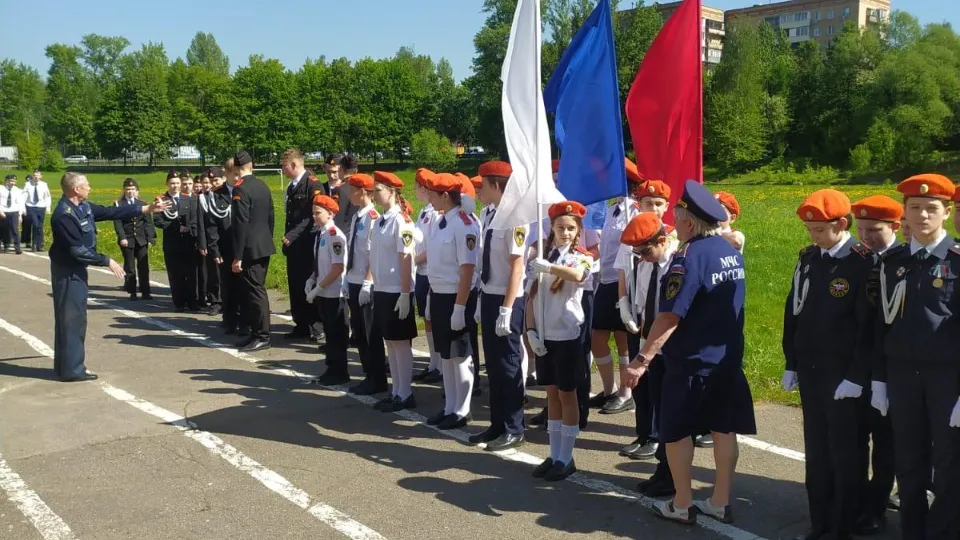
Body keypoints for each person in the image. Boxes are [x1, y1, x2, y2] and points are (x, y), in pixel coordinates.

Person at [623, 180, 756, 526]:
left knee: (676, 431)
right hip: (726, 357)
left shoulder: (688, 258)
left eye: (677, 218)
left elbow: (669, 316)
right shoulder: (728, 250)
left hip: (691, 362)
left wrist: (641, 360)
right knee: (724, 429)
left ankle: (682, 503)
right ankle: (721, 500)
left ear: (689, 223)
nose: (674, 224)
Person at [782, 189, 874, 540]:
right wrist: (791, 361)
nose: (813, 236)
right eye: (809, 229)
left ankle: (842, 526)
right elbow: (794, 311)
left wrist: (856, 376)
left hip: (843, 374)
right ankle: (819, 523)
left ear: (842, 223)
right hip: (811, 368)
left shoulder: (862, 262)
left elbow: (868, 328)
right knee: (817, 451)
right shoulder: (809, 258)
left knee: (845, 452)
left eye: (819, 229)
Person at [871, 173, 960, 540]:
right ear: (904, 213)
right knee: (907, 458)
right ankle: (913, 531)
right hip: (902, 374)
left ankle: (942, 532)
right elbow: (881, 324)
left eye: (931, 208)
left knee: (949, 462)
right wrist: (879, 379)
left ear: (947, 212)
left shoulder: (957, 260)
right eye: (915, 208)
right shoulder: (892, 262)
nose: (923, 215)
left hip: (947, 378)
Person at [49, 172, 168, 381]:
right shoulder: (64, 215)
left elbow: (111, 211)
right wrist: (107, 261)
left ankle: (65, 367)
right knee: (72, 319)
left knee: (73, 318)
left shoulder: (82, 207)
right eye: (86, 185)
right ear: (76, 189)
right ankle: (72, 370)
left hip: (76, 270)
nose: (90, 187)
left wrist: (146, 209)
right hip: (68, 271)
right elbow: (77, 250)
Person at [525, 201, 596, 481]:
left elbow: (579, 276)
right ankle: (554, 454)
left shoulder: (580, 257)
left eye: (571, 228)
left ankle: (567, 457)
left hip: (567, 335)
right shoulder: (542, 255)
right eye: (560, 227)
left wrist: (550, 268)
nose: (565, 233)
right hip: (545, 335)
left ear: (578, 231)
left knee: (568, 395)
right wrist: (531, 331)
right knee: (551, 395)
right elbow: (531, 297)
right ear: (552, 228)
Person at [616, 212, 680, 498]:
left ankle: (673, 474)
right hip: (650, 348)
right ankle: (663, 469)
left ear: (662, 241)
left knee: (672, 414)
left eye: (645, 250)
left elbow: (672, 315)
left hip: (673, 349)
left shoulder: (678, 266)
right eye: (637, 253)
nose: (641, 257)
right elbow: (645, 308)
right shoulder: (644, 267)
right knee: (659, 408)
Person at [850, 194, 902, 536]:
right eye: (862, 228)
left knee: (887, 443)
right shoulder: (856, 259)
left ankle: (877, 505)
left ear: (895, 227)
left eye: (875, 230)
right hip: (855, 365)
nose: (866, 236)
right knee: (855, 439)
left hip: (892, 367)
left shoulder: (903, 262)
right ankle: (856, 499)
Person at [469, 161, 528, 450]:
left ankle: (514, 427)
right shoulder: (489, 214)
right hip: (490, 294)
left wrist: (507, 308)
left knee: (508, 364)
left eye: (483, 184)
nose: (479, 190)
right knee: (492, 364)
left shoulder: (516, 217)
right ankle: (497, 423)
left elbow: (517, 265)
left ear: (495, 185)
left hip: (508, 297)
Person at [422, 172, 481, 430]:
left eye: (432, 194)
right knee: (445, 355)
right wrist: (431, 296)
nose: (429, 198)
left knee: (460, 356)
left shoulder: (464, 224)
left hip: (458, 297)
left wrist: (460, 307)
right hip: (439, 295)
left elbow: (467, 269)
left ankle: (463, 410)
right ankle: (450, 407)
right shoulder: (440, 221)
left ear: (445, 196)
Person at [619, 177, 672, 459]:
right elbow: (627, 275)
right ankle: (644, 434)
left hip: (663, 332)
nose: (653, 208)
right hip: (642, 325)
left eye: (658, 203)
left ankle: (658, 438)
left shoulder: (672, 247)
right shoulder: (636, 242)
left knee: (662, 391)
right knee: (642, 386)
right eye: (647, 203)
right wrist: (624, 306)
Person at [589, 159, 644, 416]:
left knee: (623, 340)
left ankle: (625, 393)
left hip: (625, 281)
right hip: (606, 279)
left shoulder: (635, 211)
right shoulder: (613, 210)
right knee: (597, 337)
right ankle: (609, 389)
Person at [367, 170, 418, 412]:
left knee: (400, 343)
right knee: (390, 342)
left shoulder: (401, 221)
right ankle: (396, 390)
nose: (374, 194)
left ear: (392, 192)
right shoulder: (380, 221)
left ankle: (405, 393)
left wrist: (405, 293)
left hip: (397, 289)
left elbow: (406, 258)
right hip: (382, 289)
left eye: (378, 190)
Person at [343, 173, 388, 395]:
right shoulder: (356, 217)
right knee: (359, 332)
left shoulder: (372, 217)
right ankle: (368, 374)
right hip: (353, 279)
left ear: (362, 191)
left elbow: (372, 253)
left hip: (365, 282)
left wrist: (367, 283)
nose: (349, 194)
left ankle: (377, 378)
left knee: (371, 334)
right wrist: (347, 278)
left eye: (351, 190)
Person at [231, 151, 276, 353]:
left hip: (250, 248)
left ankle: (262, 335)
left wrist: (237, 255)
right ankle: (256, 332)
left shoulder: (240, 188)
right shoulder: (262, 185)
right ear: (252, 165)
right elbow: (271, 216)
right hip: (262, 244)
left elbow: (240, 224)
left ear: (236, 168)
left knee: (255, 292)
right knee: (254, 290)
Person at [305, 194, 351, 385]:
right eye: (313, 213)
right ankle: (331, 369)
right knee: (330, 334)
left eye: (318, 213)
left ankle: (339, 372)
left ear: (330, 214)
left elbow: (338, 268)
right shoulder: (321, 234)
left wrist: (318, 288)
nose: (314, 216)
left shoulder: (335, 236)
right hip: (324, 291)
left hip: (334, 293)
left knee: (337, 334)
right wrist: (312, 279)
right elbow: (321, 263)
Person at [280, 149, 321, 340]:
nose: (282, 169)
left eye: (284, 166)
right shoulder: (292, 186)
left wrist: (293, 235)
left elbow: (311, 216)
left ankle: (316, 326)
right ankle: (301, 324)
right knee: (295, 284)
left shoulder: (312, 184)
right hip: (294, 245)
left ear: (294, 164)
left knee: (308, 283)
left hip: (306, 242)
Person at [153, 171, 204, 311]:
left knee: (191, 273)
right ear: (167, 184)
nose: (175, 186)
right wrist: (176, 228)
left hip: (188, 241)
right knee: (175, 274)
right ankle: (179, 302)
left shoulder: (189, 198)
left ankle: (192, 301)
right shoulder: (161, 200)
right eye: (172, 183)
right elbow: (158, 221)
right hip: (172, 243)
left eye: (177, 183)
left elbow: (195, 218)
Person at [412, 169, 444, 383]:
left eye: (417, 187)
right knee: (428, 319)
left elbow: (433, 246)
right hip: (422, 273)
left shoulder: (435, 214)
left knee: (434, 318)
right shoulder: (424, 212)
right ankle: (433, 362)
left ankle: (440, 365)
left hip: (431, 272)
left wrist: (414, 260)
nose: (415, 191)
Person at [112, 178, 155, 300]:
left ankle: (145, 291)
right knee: (130, 267)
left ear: (136, 190)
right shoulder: (119, 204)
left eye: (132, 189)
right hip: (127, 239)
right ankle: (132, 291)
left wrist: (150, 238)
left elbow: (148, 222)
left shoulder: (142, 204)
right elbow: (118, 223)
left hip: (141, 239)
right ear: (124, 190)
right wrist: (122, 237)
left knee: (143, 266)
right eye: (127, 189)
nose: (130, 191)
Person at [216, 162, 244, 335]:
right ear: (226, 173)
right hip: (225, 245)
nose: (237, 177)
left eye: (238, 173)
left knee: (243, 285)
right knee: (227, 285)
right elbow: (211, 223)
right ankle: (229, 319)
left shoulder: (245, 190)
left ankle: (244, 319)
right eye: (234, 173)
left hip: (243, 246)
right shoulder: (217, 194)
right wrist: (214, 248)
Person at [22, 170, 51, 252]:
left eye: (38, 175)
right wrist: (22, 208)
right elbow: (24, 196)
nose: (36, 177)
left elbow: (47, 196)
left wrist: (48, 208)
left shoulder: (44, 185)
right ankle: (34, 243)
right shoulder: (28, 184)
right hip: (30, 207)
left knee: (40, 226)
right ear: (33, 176)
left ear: (41, 176)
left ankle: (40, 244)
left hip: (41, 207)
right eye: (35, 175)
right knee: (35, 224)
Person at [333, 155, 359, 233]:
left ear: (340, 169)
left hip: (344, 233)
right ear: (356, 171)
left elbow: (337, 217)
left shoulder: (339, 189)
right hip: (359, 231)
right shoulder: (361, 188)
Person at [0, 174, 25, 254]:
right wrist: (0, 211)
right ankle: (6, 245)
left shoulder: (17, 190)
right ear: (6, 181)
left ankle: (17, 248)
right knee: (4, 229)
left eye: (14, 181)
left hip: (14, 212)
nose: (12, 183)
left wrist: (20, 214)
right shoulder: (1, 189)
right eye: (11, 181)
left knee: (15, 230)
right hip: (4, 211)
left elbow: (21, 203)